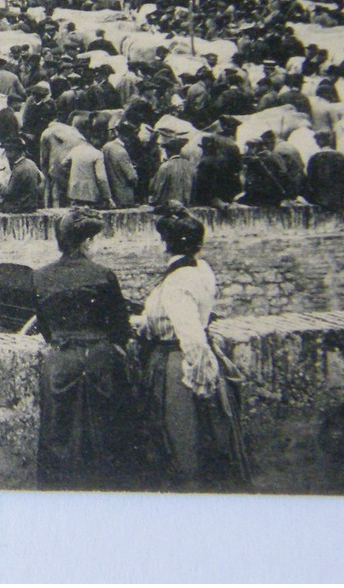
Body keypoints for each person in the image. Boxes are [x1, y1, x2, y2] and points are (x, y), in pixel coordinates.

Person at [133, 210, 251, 491]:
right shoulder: (202, 270)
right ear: (199, 245)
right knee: (208, 431)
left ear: (164, 244)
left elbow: (190, 335)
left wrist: (200, 377)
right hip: (196, 353)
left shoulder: (175, 283)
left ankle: (188, 485)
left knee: (179, 435)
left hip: (178, 364)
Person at [29, 210, 140, 489]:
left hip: (61, 362)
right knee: (107, 438)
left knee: (59, 436)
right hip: (100, 361)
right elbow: (121, 328)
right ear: (88, 242)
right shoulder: (103, 275)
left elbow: (45, 328)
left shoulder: (40, 277)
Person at [304, 131, 344, 212]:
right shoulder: (341, 157)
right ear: (330, 141)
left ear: (318, 142)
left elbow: (310, 180)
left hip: (321, 198)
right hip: (339, 197)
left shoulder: (315, 159)